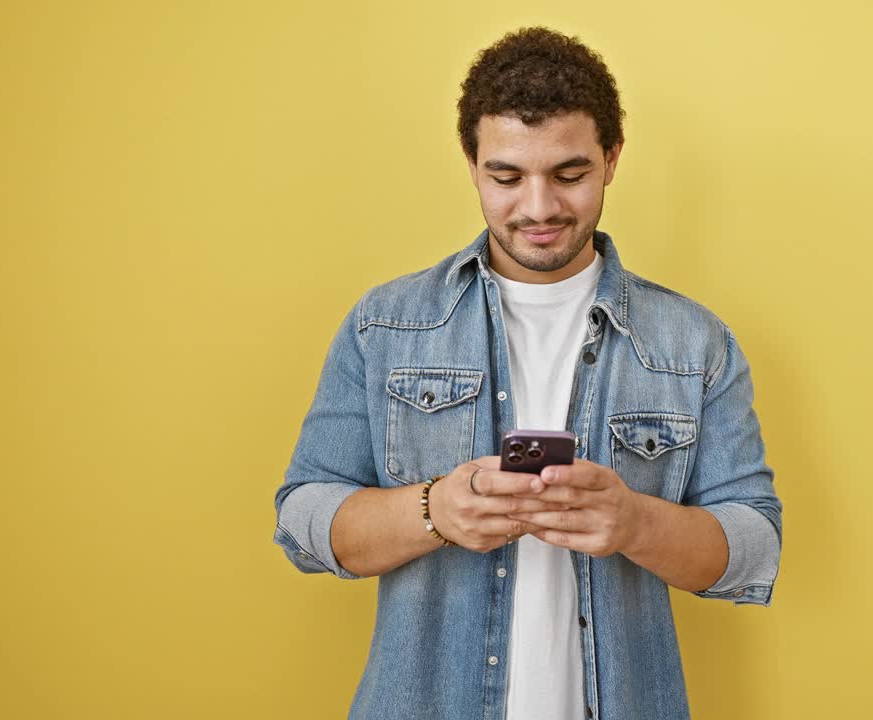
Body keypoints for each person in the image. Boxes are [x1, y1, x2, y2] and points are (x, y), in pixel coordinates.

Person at [272, 25, 783, 720]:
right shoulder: (384, 324)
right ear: (472, 162)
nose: (538, 208)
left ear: (611, 159)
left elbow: (753, 546)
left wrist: (634, 522)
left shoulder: (694, 341)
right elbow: (304, 521)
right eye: (506, 177)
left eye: (569, 174)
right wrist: (434, 510)